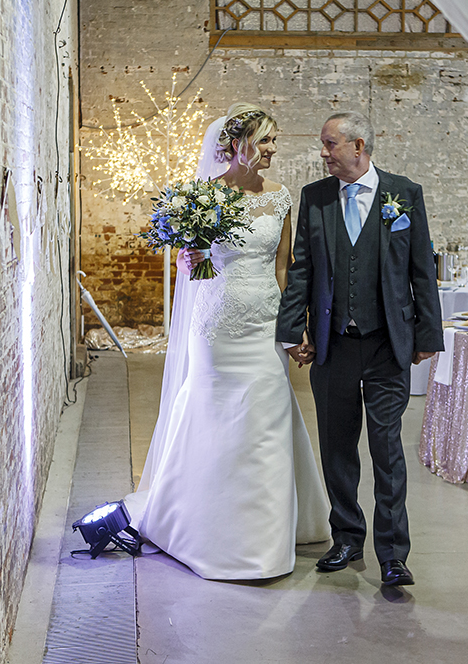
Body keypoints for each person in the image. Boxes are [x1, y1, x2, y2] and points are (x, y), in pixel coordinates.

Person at [124, 104, 330, 580]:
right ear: (236, 146)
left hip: (263, 322)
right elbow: (195, 269)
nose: (273, 150)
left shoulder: (280, 199)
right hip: (215, 324)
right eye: (265, 141)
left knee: (266, 415)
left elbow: (284, 267)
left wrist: (293, 323)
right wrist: (191, 257)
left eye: (274, 141)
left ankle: (265, 534)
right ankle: (207, 528)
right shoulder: (202, 199)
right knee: (215, 414)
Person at [276, 111, 443, 587]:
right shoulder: (316, 198)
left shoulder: (403, 194)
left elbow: (420, 269)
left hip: (389, 344)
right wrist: (294, 330)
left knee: (387, 448)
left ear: (358, 146)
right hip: (334, 346)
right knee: (337, 448)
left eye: (330, 144)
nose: (323, 153)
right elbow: (301, 270)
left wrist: (428, 335)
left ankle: (393, 554)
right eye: (323, 145)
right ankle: (347, 537)